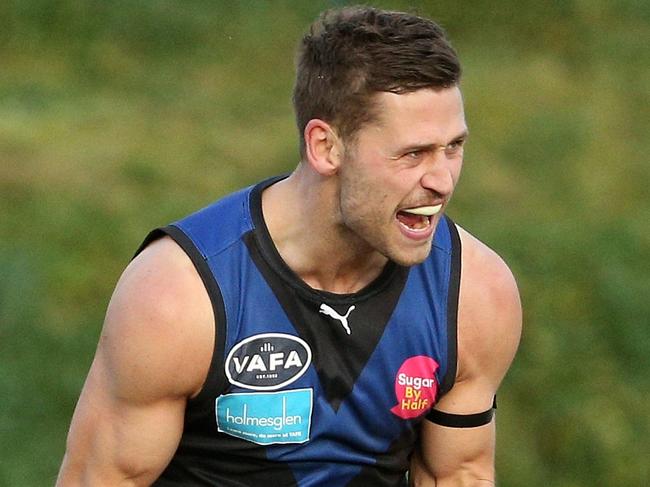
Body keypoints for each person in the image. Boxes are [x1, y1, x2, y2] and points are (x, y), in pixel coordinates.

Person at [57, 6, 521, 486]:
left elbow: (458, 475)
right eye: (413, 153)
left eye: (454, 147)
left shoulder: (475, 293)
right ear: (326, 147)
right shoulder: (177, 297)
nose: (442, 180)